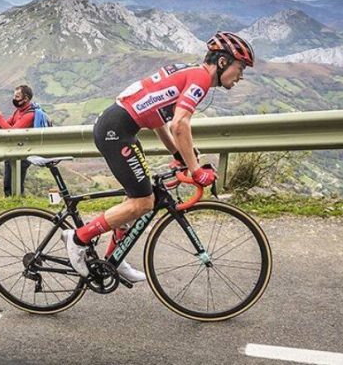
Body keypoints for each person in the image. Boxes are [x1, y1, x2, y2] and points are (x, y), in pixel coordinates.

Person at [63, 31, 255, 283]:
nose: (241, 76)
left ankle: (114, 259)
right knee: (143, 203)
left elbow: (158, 122)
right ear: (222, 62)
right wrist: (196, 170)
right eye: (240, 68)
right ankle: (78, 238)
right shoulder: (200, 79)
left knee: (137, 199)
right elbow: (180, 125)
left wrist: (178, 155)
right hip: (116, 131)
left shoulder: (188, 73)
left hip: (120, 129)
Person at [0, 84, 35, 196]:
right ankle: (10, 206)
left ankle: (19, 206)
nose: (14, 99)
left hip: (24, 153)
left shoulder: (29, 115)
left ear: (25, 99)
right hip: (13, 150)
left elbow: (12, 132)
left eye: (17, 97)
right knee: (8, 183)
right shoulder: (18, 111)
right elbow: (6, 126)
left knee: (16, 184)